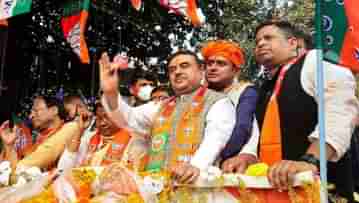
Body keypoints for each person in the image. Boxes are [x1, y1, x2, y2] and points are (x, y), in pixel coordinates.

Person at [253, 20, 358, 201]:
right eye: (257, 41)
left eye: (268, 37)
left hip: (320, 185)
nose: (260, 43)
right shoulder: (265, 86)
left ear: (293, 43)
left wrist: (310, 160)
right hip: (273, 187)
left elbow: (339, 110)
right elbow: (256, 130)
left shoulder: (315, 61)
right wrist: (247, 155)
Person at [99, 49, 235, 190]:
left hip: (195, 190)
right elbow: (128, 119)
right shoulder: (160, 106)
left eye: (184, 65)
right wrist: (111, 93)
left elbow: (216, 137)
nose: (177, 72)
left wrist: (196, 165)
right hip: (155, 191)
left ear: (201, 70)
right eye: (172, 69)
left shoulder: (218, 101)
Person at [201, 40, 259, 173]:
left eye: (221, 63)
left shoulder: (245, 91)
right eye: (210, 63)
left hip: (231, 163)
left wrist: (214, 158)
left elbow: (242, 128)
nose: (213, 68)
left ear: (235, 70)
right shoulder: (201, 94)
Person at [0, 96, 81, 171]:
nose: (30, 116)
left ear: (54, 110)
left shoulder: (70, 128)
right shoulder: (40, 138)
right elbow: (13, 172)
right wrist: (9, 146)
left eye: (36, 110)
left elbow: (23, 167)